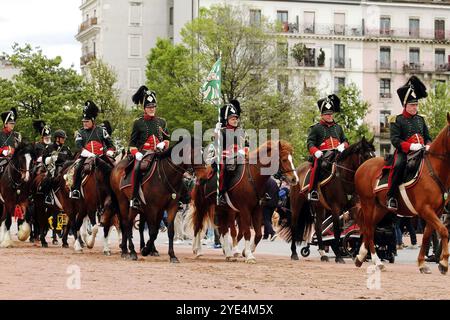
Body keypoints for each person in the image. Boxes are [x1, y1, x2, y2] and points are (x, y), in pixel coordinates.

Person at [387, 76, 431, 210]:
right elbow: (395, 140)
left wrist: (429, 145)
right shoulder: (396, 119)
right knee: (399, 165)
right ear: (405, 105)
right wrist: (411, 146)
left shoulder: (421, 119)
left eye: (416, 105)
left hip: (423, 150)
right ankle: (391, 196)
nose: (415, 107)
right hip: (405, 153)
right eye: (412, 105)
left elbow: (428, 137)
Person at [128, 85, 170, 210]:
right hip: (144, 154)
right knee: (136, 168)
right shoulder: (138, 123)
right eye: (149, 107)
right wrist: (136, 153)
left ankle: (179, 197)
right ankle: (135, 197)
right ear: (144, 108)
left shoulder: (162, 122)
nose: (152, 109)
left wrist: (164, 143)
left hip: (160, 153)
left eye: (153, 107)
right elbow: (132, 143)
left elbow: (167, 138)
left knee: (174, 168)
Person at [306, 94, 348, 201]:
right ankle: (313, 190)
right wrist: (316, 151)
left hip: (338, 153)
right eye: (327, 114)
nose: (330, 116)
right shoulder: (316, 128)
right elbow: (310, 142)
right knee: (317, 165)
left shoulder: (338, 127)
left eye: (331, 114)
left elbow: (345, 140)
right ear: (322, 115)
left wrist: (343, 145)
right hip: (323, 155)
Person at [70, 100, 115, 199]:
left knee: (113, 167)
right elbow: (78, 146)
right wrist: (87, 153)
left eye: (87, 121)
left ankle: (115, 187)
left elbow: (110, 144)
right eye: (83, 122)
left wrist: (110, 151)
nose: (84, 124)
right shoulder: (80, 132)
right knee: (77, 168)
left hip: (101, 156)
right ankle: (76, 189)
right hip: (86, 156)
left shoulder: (101, 131)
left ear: (93, 120)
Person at [215, 99, 246, 206]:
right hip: (226, 157)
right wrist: (216, 133)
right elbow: (217, 147)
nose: (235, 120)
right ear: (227, 120)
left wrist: (245, 150)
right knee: (227, 167)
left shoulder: (241, 132)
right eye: (232, 118)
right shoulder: (222, 131)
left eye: (236, 118)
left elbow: (246, 145)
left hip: (242, 157)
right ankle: (222, 193)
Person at [40, 129, 73, 204]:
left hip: (65, 167)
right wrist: (51, 159)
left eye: (64, 138)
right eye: (62, 138)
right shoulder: (50, 147)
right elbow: (44, 159)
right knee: (49, 179)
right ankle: (48, 196)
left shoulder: (66, 149)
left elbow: (71, 159)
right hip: (54, 167)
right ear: (57, 138)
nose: (64, 139)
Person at [262, 176, 279, 240]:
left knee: (266, 219)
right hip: (274, 203)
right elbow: (278, 193)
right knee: (268, 219)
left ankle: (272, 233)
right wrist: (276, 205)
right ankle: (265, 235)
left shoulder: (264, 181)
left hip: (266, 203)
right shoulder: (274, 182)